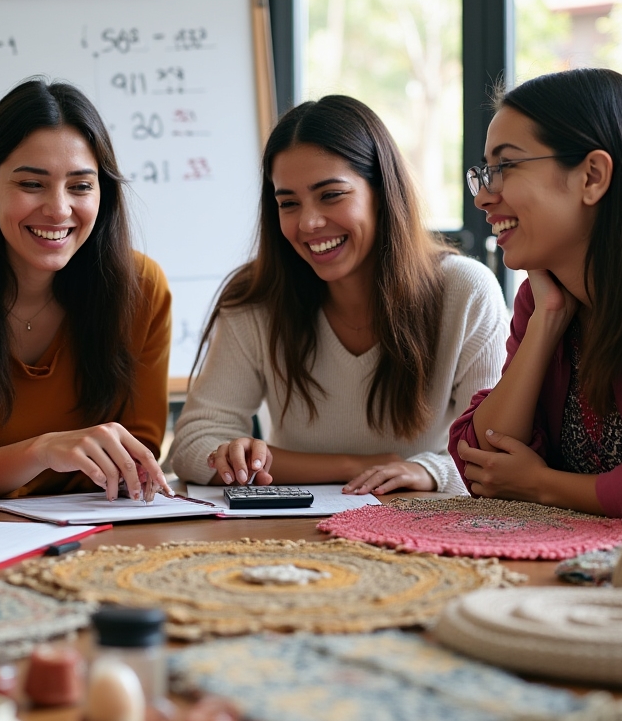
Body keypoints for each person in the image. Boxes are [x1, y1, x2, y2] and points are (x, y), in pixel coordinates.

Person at [170, 95, 507, 493]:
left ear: (381, 193)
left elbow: (489, 452)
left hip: (420, 526)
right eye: (288, 203)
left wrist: (430, 471)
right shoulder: (258, 298)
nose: (309, 222)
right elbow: (191, 447)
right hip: (289, 533)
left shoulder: (465, 290)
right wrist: (359, 466)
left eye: (331, 195)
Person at [0, 79, 171, 501]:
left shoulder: (141, 288)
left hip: (101, 529)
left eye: (80, 186)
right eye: (32, 184)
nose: (59, 209)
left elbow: (139, 457)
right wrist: (43, 452)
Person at [450, 69, 622, 527]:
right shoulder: (545, 296)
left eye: (506, 167)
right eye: (483, 173)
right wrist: (546, 323)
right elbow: (481, 459)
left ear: (592, 176)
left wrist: (541, 485)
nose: (483, 198)